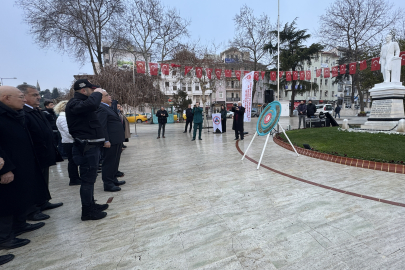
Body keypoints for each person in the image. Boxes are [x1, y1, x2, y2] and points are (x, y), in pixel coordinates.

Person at [0, 86, 50, 264]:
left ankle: (20, 225)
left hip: (23, 164)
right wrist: (4, 169)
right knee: (6, 202)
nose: (23, 100)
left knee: (21, 195)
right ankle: (5, 237)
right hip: (8, 167)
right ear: (6, 98)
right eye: (20, 97)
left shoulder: (16, 113)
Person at [17, 84, 63, 221]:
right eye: (34, 95)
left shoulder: (36, 110)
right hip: (34, 154)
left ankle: (43, 202)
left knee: (43, 179)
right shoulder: (23, 112)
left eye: (38, 95)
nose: (38, 97)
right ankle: (33, 209)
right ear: (23, 96)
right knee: (35, 182)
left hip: (45, 152)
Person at [65, 79, 108, 221]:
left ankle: (91, 204)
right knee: (87, 180)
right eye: (92, 89)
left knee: (90, 179)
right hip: (86, 148)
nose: (95, 92)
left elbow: (91, 106)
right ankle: (87, 211)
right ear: (84, 90)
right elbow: (92, 104)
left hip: (92, 147)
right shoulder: (74, 103)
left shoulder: (84, 104)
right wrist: (98, 94)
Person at [96, 90, 126, 192]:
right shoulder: (101, 108)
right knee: (109, 162)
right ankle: (108, 183)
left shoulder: (107, 107)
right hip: (110, 140)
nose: (110, 97)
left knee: (115, 161)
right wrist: (106, 140)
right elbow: (102, 126)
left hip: (116, 139)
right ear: (101, 98)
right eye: (107, 95)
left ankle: (113, 179)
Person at [55, 100, 81, 186]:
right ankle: (74, 179)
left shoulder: (64, 117)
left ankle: (76, 177)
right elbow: (68, 131)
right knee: (72, 161)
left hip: (70, 141)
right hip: (69, 142)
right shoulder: (63, 118)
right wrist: (78, 138)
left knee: (73, 161)